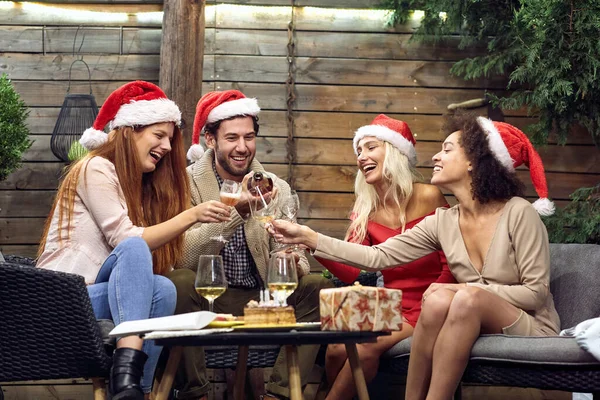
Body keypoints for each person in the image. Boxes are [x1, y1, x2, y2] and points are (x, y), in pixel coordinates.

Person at [271, 112, 561, 400]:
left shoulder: (518, 212)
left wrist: (462, 289)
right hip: (461, 315)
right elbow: (377, 256)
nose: (435, 156)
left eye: (447, 150)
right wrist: (308, 237)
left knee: (461, 298)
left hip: (529, 323)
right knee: (440, 300)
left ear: (474, 161)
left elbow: (535, 294)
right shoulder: (444, 220)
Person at [36, 81, 231, 400]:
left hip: (99, 295)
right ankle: (125, 376)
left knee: (164, 288)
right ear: (129, 131)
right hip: (63, 300)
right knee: (134, 245)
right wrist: (191, 216)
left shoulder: (135, 187)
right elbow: (126, 240)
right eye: (159, 135)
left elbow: (155, 262)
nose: (168, 147)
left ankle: (134, 390)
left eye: (170, 139)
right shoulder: (94, 168)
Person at [168, 89, 333, 400]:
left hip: (262, 299)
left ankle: (279, 393)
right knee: (177, 281)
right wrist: (236, 214)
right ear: (210, 139)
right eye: (231, 138)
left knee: (317, 286)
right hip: (208, 298)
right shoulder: (184, 182)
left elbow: (298, 255)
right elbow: (182, 258)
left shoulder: (275, 186)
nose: (242, 148)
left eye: (249, 137)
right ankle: (196, 393)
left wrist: (291, 259)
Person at [315, 114, 455, 400]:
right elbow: (351, 271)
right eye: (358, 151)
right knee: (335, 348)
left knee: (365, 347)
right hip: (390, 307)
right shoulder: (365, 206)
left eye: (370, 147)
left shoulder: (429, 195)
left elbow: (451, 262)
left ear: (394, 151)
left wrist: (436, 299)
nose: (361, 157)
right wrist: (309, 246)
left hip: (429, 305)